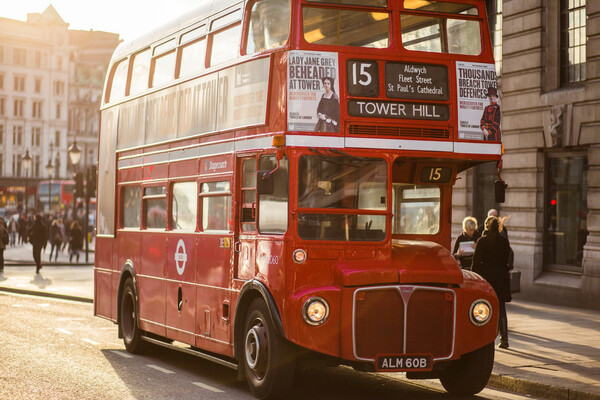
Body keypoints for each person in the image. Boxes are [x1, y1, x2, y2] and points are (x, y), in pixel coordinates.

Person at [472, 216, 512, 349]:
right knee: (501, 308)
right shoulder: (504, 242)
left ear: (486, 227)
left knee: (483, 307)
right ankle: (504, 339)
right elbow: (508, 259)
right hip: (501, 278)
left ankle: (484, 339)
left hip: (487, 278)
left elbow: (476, 263)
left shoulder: (482, 241)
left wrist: (475, 278)